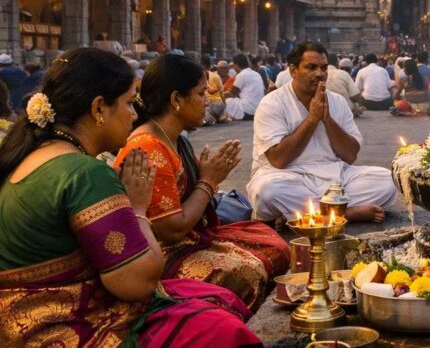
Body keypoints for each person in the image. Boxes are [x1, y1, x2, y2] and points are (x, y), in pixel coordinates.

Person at [0, 49, 259, 346]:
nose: (135, 115)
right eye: (127, 103)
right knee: (220, 327)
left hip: (19, 324)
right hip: (58, 328)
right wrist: (137, 207)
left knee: (214, 297)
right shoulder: (84, 173)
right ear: (99, 108)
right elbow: (138, 282)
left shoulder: (32, 155)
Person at [114, 54, 289, 311]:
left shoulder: (175, 138)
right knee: (247, 271)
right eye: (200, 94)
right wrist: (208, 181)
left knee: (276, 244)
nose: (208, 101)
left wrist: (207, 175)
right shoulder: (148, 147)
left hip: (190, 237)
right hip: (163, 253)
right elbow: (172, 229)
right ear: (176, 100)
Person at [247, 42, 397, 223]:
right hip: (288, 176)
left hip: (335, 177)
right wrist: (312, 119)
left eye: (323, 68)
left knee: (389, 181)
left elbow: (350, 155)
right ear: (293, 71)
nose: (319, 74)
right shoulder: (272, 103)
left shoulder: (337, 102)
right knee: (268, 192)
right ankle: (344, 214)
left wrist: (327, 119)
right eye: (311, 67)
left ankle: (301, 215)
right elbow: (279, 160)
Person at [224, 53, 263, 121]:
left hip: (248, 110)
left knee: (227, 101)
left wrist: (220, 94)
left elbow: (232, 93)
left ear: (236, 64)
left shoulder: (242, 75)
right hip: (258, 109)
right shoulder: (256, 74)